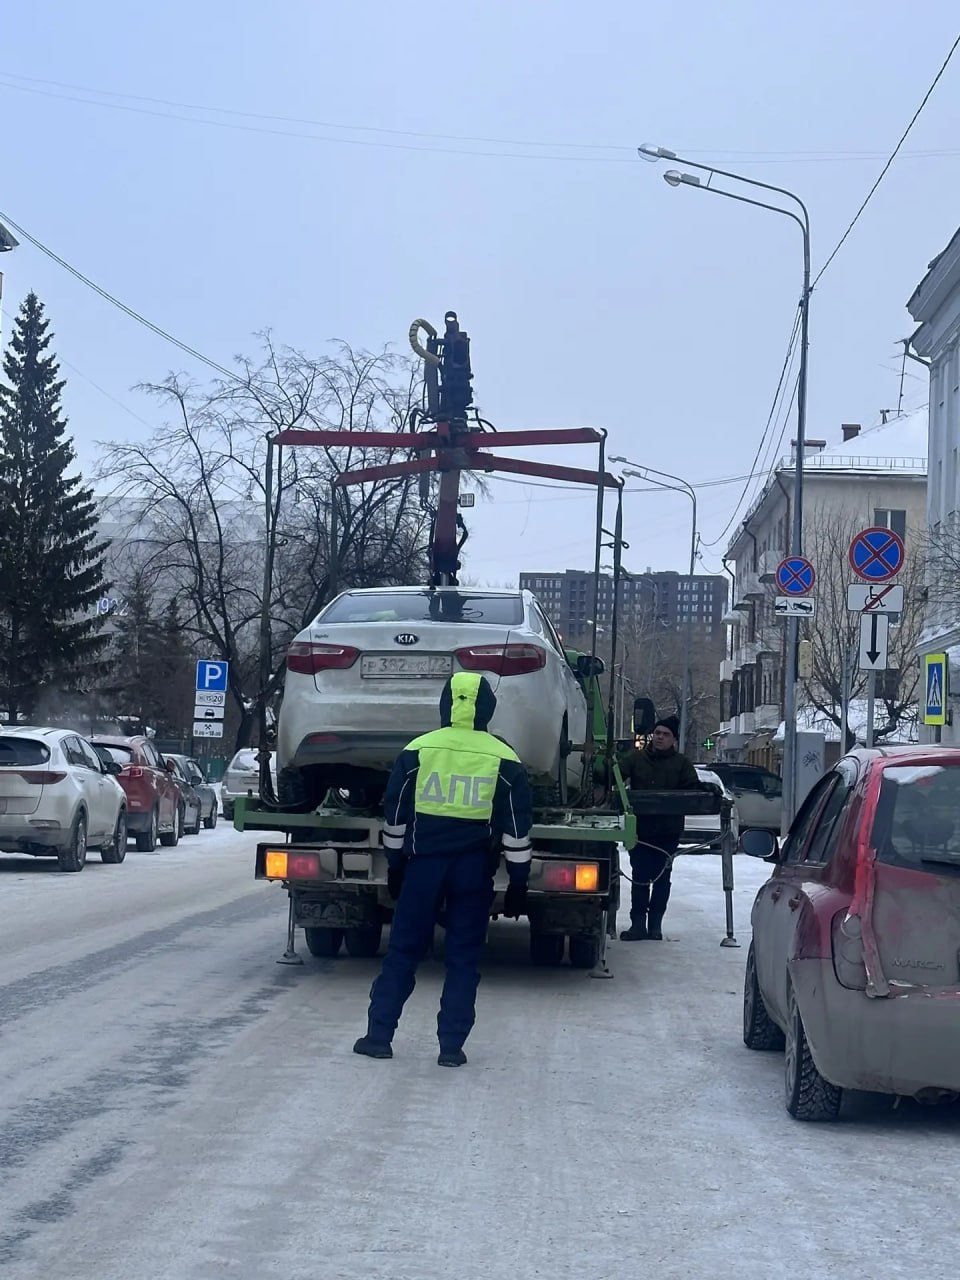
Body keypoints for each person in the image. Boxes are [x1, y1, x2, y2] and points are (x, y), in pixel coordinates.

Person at [353, 671, 533, 1068]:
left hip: (422, 868)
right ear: (487, 708)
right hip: (473, 871)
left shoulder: (417, 751)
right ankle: (451, 1047)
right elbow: (517, 828)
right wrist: (519, 881)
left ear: (444, 705)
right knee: (463, 959)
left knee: (402, 952)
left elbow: (396, 817)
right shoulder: (505, 758)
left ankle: (378, 1037)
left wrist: (395, 864)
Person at [619, 715, 699, 941]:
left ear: (673, 739)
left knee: (662, 878)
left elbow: (692, 788)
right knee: (640, 876)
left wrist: (707, 789)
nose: (660, 738)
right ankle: (638, 925)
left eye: (665, 734)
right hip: (641, 830)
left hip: (667, 831)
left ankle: (655, 925)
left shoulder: (681, 764)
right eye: (657, 733)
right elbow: (615, 776)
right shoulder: (636, 759)